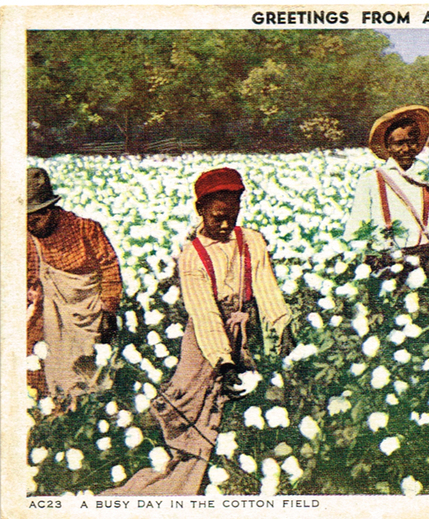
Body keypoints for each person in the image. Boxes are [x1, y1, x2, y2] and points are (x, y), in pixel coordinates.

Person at [104, 167, 293, 495]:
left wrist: (281, 325)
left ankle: (230, 451)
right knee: (194, 394)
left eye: (231, 217)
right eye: (217, 216)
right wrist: (223, 360)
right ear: (200, 210)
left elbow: (266, 286)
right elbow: (204, 313)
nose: (224, 224)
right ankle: (173, 446)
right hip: (203, 338)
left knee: (240, 395)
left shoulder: (252, 241)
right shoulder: (193, 255)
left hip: (244, 329)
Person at [26, 167, 122, 407]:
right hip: (48, 318)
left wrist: (109, 309)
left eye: (35, 219)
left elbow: (109, 267)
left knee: (88, 375)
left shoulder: (85, 230)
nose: (30, 225)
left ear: (49, 210)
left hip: (89, 318)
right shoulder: (26, 238)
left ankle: (85, 414)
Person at [343, 105, 429, 276]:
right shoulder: (371, 180)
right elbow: (357, 226)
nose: (406, 149)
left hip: (423, 258)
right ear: (388, 146)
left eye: (411, 142)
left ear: (419, 144)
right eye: (399, 143)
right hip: (383, 261)